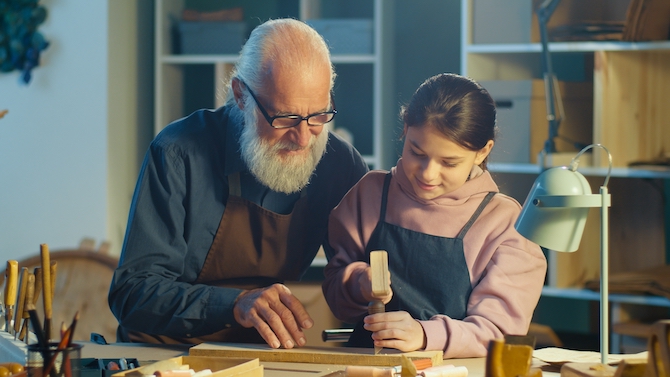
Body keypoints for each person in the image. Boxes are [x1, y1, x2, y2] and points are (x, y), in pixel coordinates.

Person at [108, 18, 369, 347]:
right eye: (285, 118)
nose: (303, 138)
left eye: (318, 115)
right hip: (165, 351)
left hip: (257, 353)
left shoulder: (340, 164)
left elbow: (357, 278)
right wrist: (234, 304)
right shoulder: (178, 152)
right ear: (241, 95)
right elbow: (132, 294)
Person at [321, 73, 547, 358]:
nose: (428, 174)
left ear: (482, 152)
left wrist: (425, 334)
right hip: (368, 366)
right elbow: (336, 296)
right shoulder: (370, 193)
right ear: (405, 128)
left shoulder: (505, 223)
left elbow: (499, 332)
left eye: (449, 162)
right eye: (417, 152)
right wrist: (358, 283)